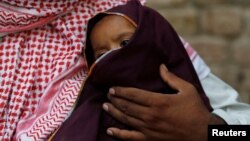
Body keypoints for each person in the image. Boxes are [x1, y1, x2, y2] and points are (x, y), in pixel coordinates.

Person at [51, 1, 250, 141]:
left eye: (126, 43)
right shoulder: (89, 99)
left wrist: (209, 131)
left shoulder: (175, 67)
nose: (116, 56)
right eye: (102, 53)